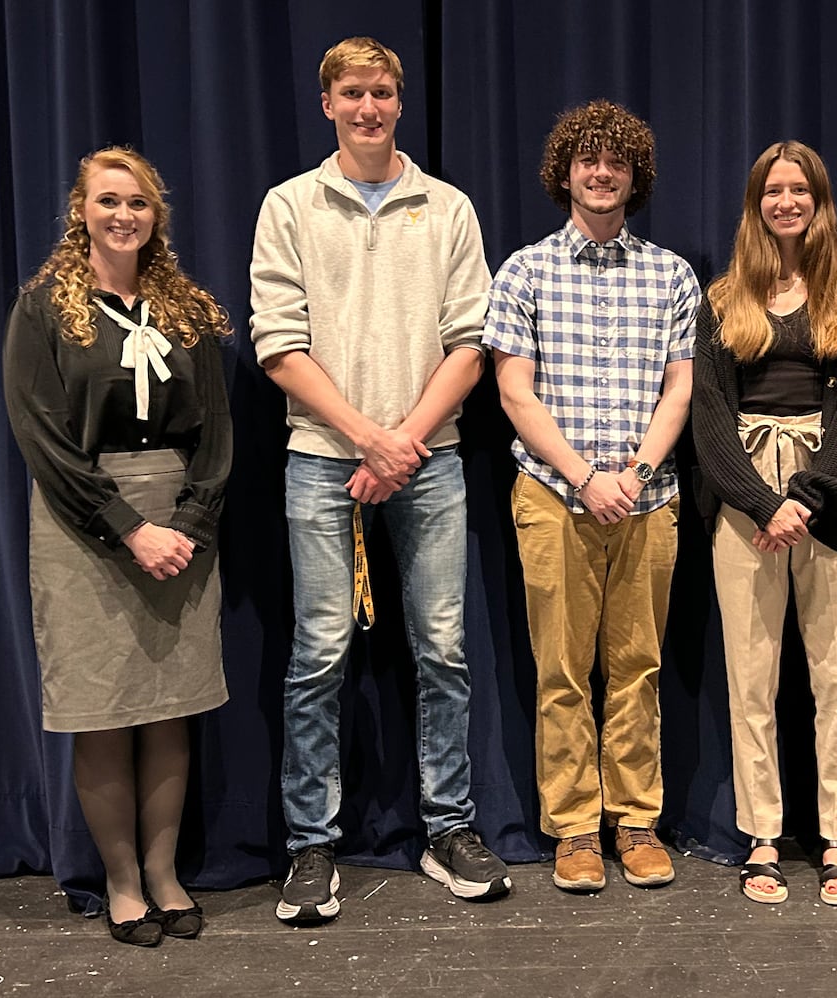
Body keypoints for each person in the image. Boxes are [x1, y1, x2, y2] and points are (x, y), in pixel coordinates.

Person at [249, 36, 509, 922]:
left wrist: (404, 441)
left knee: (442, 648)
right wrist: (367, 439)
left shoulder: (447, 209)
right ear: (327, 103)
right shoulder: (290, 205)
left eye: (383, 93)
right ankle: (311, 847)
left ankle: (449, 830)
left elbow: (472, 342)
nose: (369, 107)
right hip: (323, 458)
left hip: (430, 460)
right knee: (320, 652)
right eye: (353, 93)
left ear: (401, 102)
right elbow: (277, 343)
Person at [3, 147, 233, 947]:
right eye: (109, 202)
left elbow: (214, 433)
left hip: (178, 522)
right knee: (104, 712)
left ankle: (167, 874)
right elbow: (40, 434)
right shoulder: (45, 309)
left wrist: (187, 527)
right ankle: (123, 883)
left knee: (169, 709)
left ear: (155, 215)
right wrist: (129, 528)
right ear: (82, 212)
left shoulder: (187, 311)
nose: (124, 215)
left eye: (137, 203)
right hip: (84, 521)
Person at [485, 99, 699, 893]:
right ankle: (576, 828)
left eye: (616, 161)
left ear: (635, 175)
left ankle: (636, 820)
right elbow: (514, 391)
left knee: (638, 666)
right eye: (587, 159)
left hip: (649, 496)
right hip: (552, 494)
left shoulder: (672, 274)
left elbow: (680, 390)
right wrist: (583, 476)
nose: (601, 172)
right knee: (563, 670)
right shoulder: (525, 270)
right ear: (564, 173)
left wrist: (636, 474)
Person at [692, 141, 837, 906]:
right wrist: (762, 502)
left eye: (800, 190)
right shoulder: (722, 298)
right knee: (752, 679)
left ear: (820, 201)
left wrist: (809, 494)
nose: (786, 202)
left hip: (828, 505)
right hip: (745, 505)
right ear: (755, 204)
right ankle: (763, 834)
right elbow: (708, 419)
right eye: (773, 191)